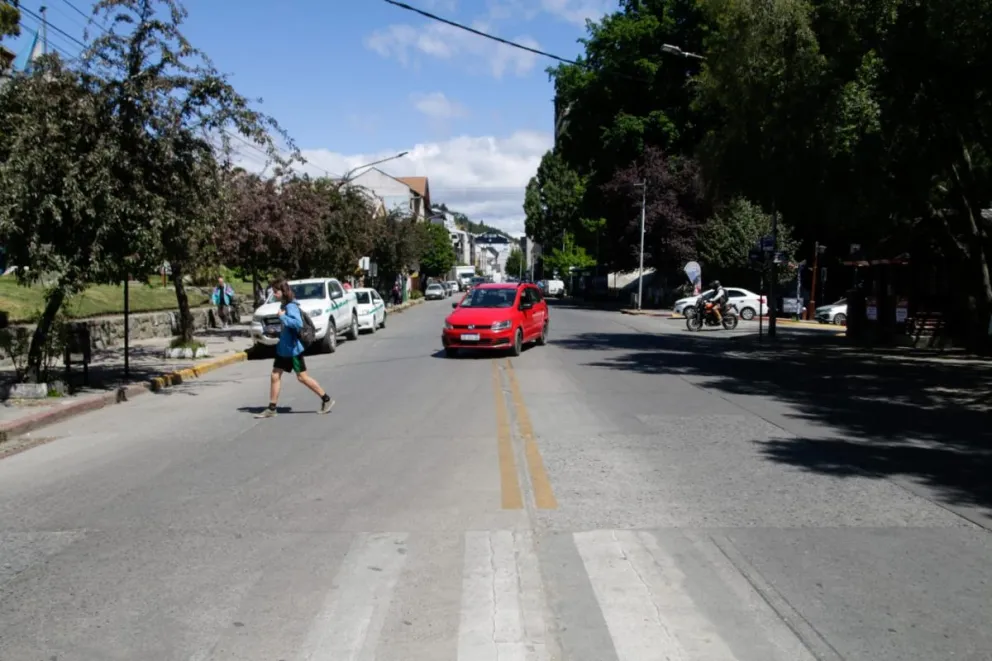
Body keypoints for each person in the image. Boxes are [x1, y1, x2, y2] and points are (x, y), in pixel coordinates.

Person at [255, 278, 334, 418]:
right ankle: (272, 408)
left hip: (292, 350)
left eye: (276, 291)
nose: (274, 294)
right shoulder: (286, 304)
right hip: (283, 349)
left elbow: (297, 324)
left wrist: (283, 317)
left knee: (302, 377)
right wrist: (277, 332)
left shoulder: (291, 306)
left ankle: (326, 399)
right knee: (275, 375)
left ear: (283, 291)